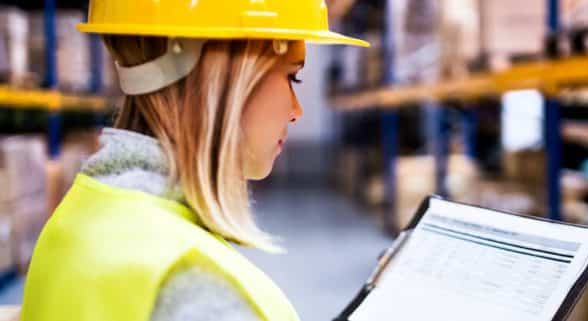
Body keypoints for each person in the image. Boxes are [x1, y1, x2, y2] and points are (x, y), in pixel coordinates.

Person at [19, 1, 368, 321]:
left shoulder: (72, 222)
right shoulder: (199, 290)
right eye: (292, 76)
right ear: (224, 75)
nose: (296, 110)